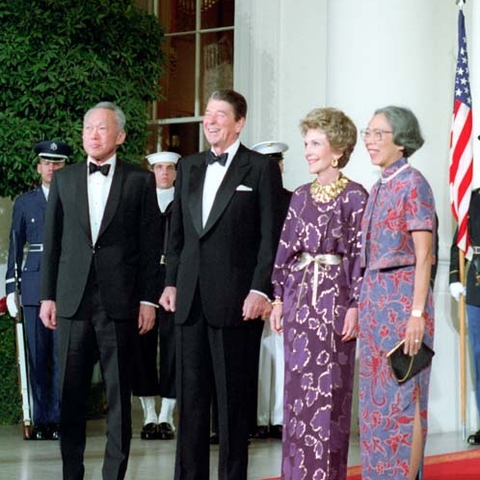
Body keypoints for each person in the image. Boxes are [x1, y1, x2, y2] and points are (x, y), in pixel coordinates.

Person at [159, 89, 283, 480]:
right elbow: (176, 234)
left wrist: (261, 290)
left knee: (232, 407)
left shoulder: (259, 168)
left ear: (239, 122)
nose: (210, 121)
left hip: (237, 302)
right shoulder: (190, 167)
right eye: (207, 114)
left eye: (219, 115)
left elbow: (270, 236)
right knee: (191, 403)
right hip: (190, 300)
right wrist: (170, 283)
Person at [39, 101, 162, 480]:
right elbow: (53, 242)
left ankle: (114, 475)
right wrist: (48, 296)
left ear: (120, 136)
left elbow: (150, 245)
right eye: (88, 127)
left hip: (120, 303)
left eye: (102, 128)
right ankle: (71, 473)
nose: (93, 134)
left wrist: (147, 299)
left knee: (118, 398)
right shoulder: (64, 179)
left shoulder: (140, 181)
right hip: (73, 302)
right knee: (70, 395)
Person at [270, 107, 367, 480]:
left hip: (335, 303)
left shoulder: (356, 197)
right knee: (296, 398)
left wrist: (356, 306)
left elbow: (361, 257)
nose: (307, 151)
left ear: (338, 149)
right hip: (298, 302)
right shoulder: (299, 196)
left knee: (330, 397)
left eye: (315, 143)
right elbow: (284, 249)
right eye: (306, 143)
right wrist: (278, 298)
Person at [358, 106, 436, 480]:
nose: (370, 141)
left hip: (404, 305)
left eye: (378, 134)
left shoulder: (414, 183)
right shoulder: (380, 185)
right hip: (375, 306)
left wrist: (417, 315)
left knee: (405, 399)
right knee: (376, 408)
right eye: (367, 133)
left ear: (401, 142)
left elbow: (424, 256)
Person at [5, 140, 72, 441]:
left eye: (58, 163)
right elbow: (15, 246)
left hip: (65, 286)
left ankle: (59, 419)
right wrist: (11, 290)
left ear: (64, 167)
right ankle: (40, 418)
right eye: (47, 163)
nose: (52, 168)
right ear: (38, 167)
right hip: (32, 287)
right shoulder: (25, 202)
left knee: (62, 357)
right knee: (37, 357)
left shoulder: (74, 198)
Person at [132, 150, 180, 441]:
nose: (164, 173)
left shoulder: (184, 202)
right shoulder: (141, 202)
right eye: (159, 168)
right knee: (142, 346)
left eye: (169, 168)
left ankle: (167, 416)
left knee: (175, 346)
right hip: (144, 281)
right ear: (152, 171)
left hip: (174, 281)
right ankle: (149, 414)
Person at [251, 140, 291, 440]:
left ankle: (279, 417)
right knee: (255, 355)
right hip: (253, 288)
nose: (274, 169)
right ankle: (257, 416)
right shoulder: (247, 200)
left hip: (285, 288)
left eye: (277, 164)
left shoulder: (293, 199)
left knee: (281, 353)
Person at [449, 190, 480, 445]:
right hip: (477, 283)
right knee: (479, 357)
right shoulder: (472, 198)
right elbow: (458, 242)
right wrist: (454, 278)